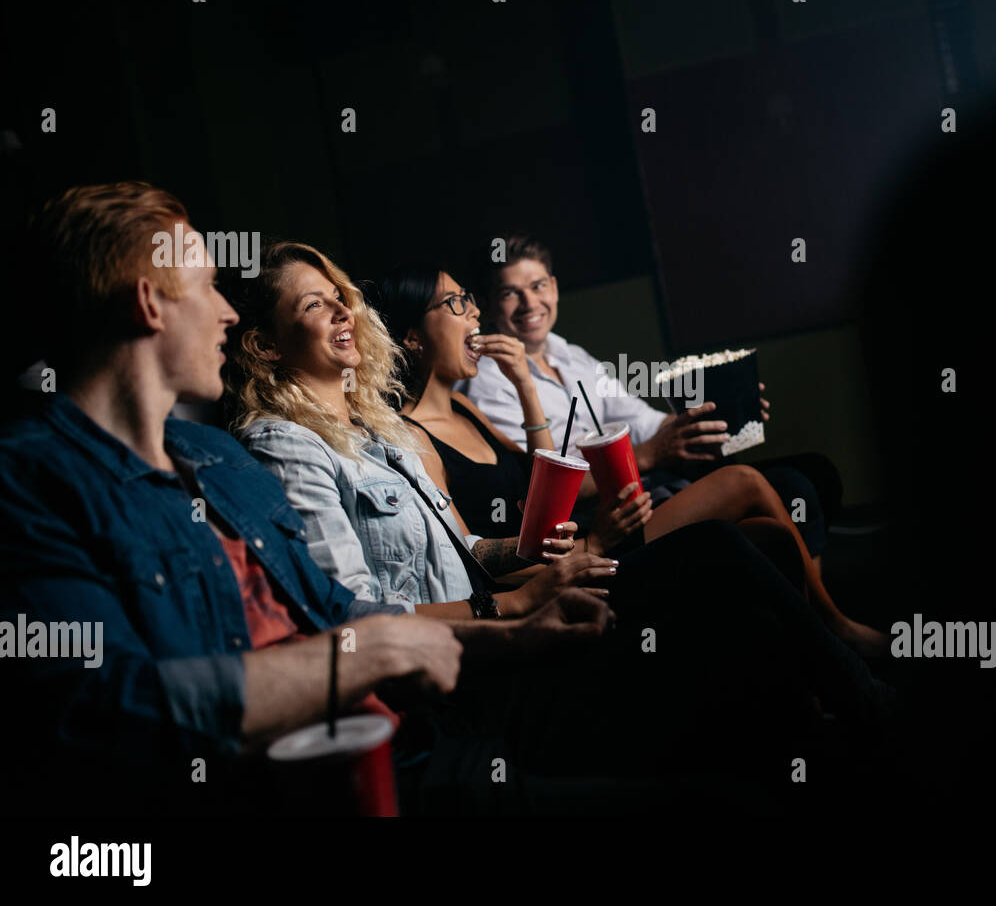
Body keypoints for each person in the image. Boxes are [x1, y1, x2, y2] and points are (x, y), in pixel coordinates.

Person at [0, 182, 810, 816]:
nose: (224, 309)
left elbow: (340, 616)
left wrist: (525, 627)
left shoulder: (215, 460)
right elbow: (98, 709)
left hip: (429, 720)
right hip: (375, 762)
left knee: (735, 655)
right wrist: (453, 631)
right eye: (207, 287)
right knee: (722, 779)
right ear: (148, 302)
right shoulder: (35, 479)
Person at [221, 240, 896, 766]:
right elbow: (356, 617)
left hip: (539, 581)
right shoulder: (289, 444)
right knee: (729, 535)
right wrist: (526, 596)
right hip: (482, 659)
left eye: (341, 297)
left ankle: (822, 728)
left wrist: (547, 553)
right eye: (314, 304)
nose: (342, 310)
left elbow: (471, 546)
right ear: (264, 344)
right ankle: (865, 709)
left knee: (777, 524)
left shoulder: (377, 429)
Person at [376, 265, 891, 658]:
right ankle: (837, 632)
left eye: (469, 300)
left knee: (770, 534)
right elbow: (471, 562)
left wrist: (527, 387)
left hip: (584, 538)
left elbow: (543, 483)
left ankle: (810, 681)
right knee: (743, 480)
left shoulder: (468, 405)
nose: (473, 313)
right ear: (413, 338)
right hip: (573, 560)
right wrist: (591, 540)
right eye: (455, 303)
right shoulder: (415, 437)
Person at [457, 235, 844, 548]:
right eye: (511, 293)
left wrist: (711, 416)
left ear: (554, 289)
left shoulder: (570, 355)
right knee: (780, 491)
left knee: (810, 474)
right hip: (596, 519)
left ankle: (817, 614)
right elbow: (547, 487)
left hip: (648, 489)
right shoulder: (486, 383)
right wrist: (649, 455)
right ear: (488, 306)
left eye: (538, 286)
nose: (529, 303)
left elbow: (642, 421)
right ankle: (833, 626)